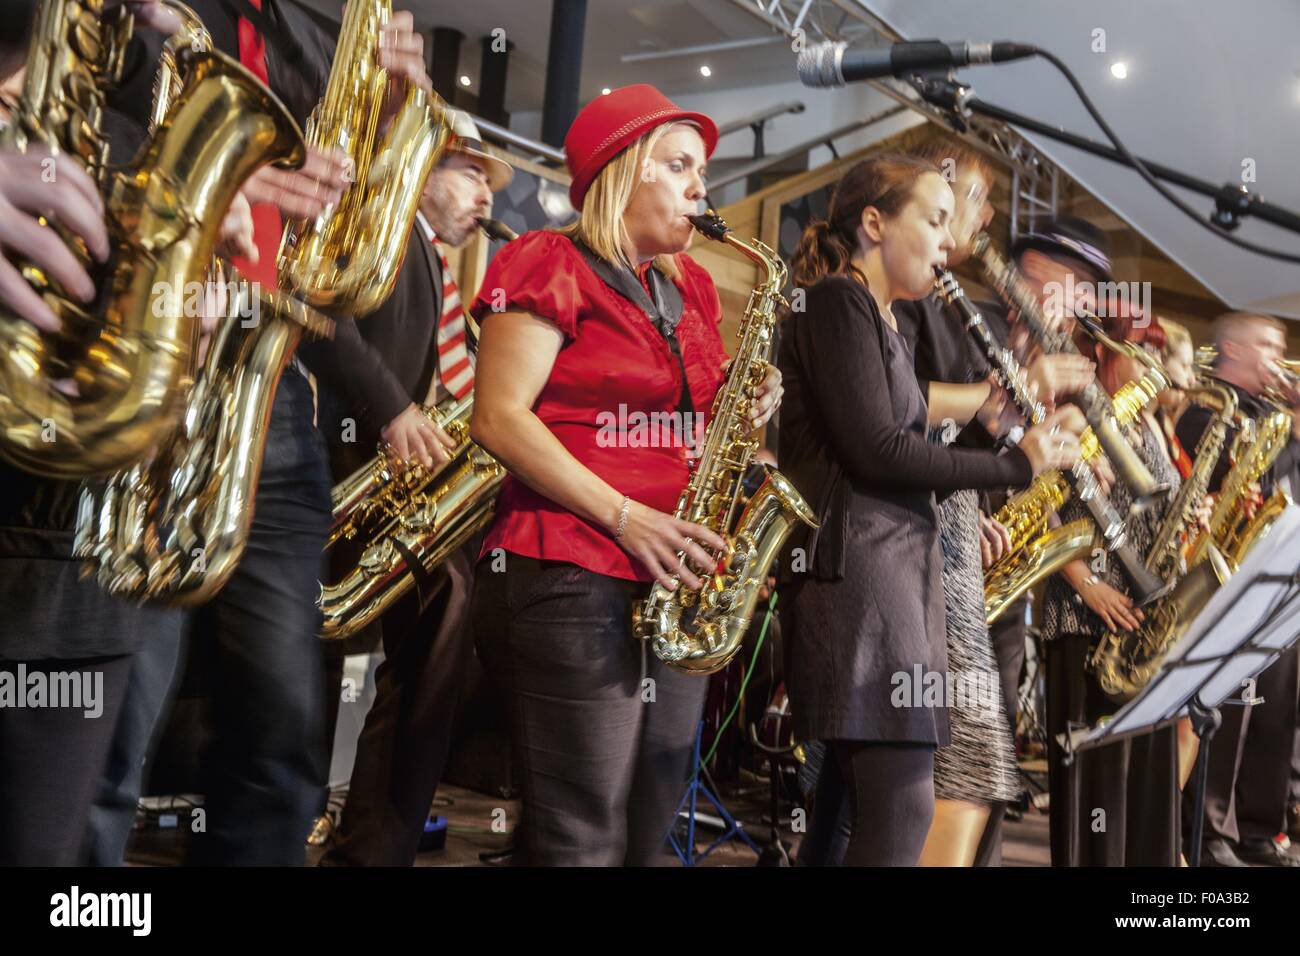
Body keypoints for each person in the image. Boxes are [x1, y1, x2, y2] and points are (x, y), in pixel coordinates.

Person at [467, 84, 781, 866]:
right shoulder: (547, 261)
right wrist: (625, 516)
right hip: (571, 567)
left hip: (670, 578)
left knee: (649, 824)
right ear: (621, 168)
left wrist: (744, 411)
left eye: (700, 170)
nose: (700, 187)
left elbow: (691, 427)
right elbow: (500, 417)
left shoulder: (693, 287)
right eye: (679, 165)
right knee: (582, 832)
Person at [776, 152, 1081, 866]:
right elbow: (879, 449)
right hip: (858, 584)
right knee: (903, 804)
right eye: (936, 219)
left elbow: (898, 443)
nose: (950, 241)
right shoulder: (837, 302)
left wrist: (999, 430)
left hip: (888, 579)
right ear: (875, 223)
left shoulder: (878, 317)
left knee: (844, 814)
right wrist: (1016, 463)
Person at [321, 111, 514, 866]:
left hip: (409, 497)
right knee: (322, 672)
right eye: (471, 174)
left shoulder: (435, 258)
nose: (487, 199)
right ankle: (361, 841)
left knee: (435, 645)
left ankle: (376, 845)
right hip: (352, 482)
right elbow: (323, 318)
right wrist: (393, 410)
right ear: (423, 164)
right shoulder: (385, 232)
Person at [1039, 306, 1184, 867]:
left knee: (1142, 786)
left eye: (1155, 351)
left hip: (1141, 628)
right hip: (1085, 619)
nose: (1150, 363)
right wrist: (1084, 582)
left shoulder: (1149, 421)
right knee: (1093, 793)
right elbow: (1038, 503)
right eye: (1138, 350)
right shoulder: (1079, 412)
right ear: (1103, 352)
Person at [1176, 311, 1300, 868]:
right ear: (1231, 349)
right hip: (1226, 584)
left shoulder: (1274, 416)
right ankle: (1211, 834)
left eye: (1281, 345)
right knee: (1227, 716)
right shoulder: (1208, 408)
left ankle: (1258, 827)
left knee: (1274, 713)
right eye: (1267, 344)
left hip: (1277, 583)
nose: (1278, 355)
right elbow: (1238, 475)